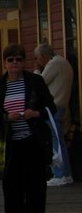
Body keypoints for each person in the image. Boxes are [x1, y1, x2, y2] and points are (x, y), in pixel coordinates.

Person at [0, 43, 55, 213]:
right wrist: (6, 117)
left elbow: (51, 107)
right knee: (12, 187)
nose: (15, 63)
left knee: (36, 186)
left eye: (19, 59)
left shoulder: (35, 82)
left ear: (24, 62)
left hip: (33, 142)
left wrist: (36, 113)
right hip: (8, 144)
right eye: (10, 59)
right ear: (5, 63)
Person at [35, 42, 74, 186]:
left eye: (37, 58)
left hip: (53, 107)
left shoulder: (54, 64)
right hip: (61, 106)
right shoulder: (63, 62)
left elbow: (40, 82)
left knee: (55, 142)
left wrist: (37, 71)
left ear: (43, 56)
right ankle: (67, 173)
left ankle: (60, 174)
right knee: (59, 141)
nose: (37, 61)